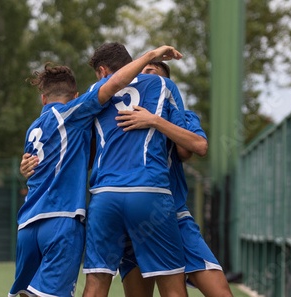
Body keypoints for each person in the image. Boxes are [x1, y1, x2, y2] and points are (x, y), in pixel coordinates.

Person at [8, 45, 183, 297]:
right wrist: (150, 55)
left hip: (30, 221)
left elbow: (35, 164)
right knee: (171, 284)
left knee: (93, 284)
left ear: (43, 98)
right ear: (76, 94)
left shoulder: (34, 127)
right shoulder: (77, 110)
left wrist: (25, 166)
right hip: (66, 217)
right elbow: (112, 86)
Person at [116, 62, 234, 297]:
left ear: (167, 87)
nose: (147, 74)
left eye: (155, 73)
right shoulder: (119, 115)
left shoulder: (182, 116)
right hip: (135, 218)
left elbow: (194, 147)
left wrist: (155, 120)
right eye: (143, 71)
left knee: (220, 292)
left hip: (173, 213)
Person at [82, 42, 188, 297]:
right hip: (149, 192)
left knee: (96, 284)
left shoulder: (96, 91)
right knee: (172, 285)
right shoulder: (164, 85)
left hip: (105, 196)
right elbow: (185, 150)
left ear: (102, 71)